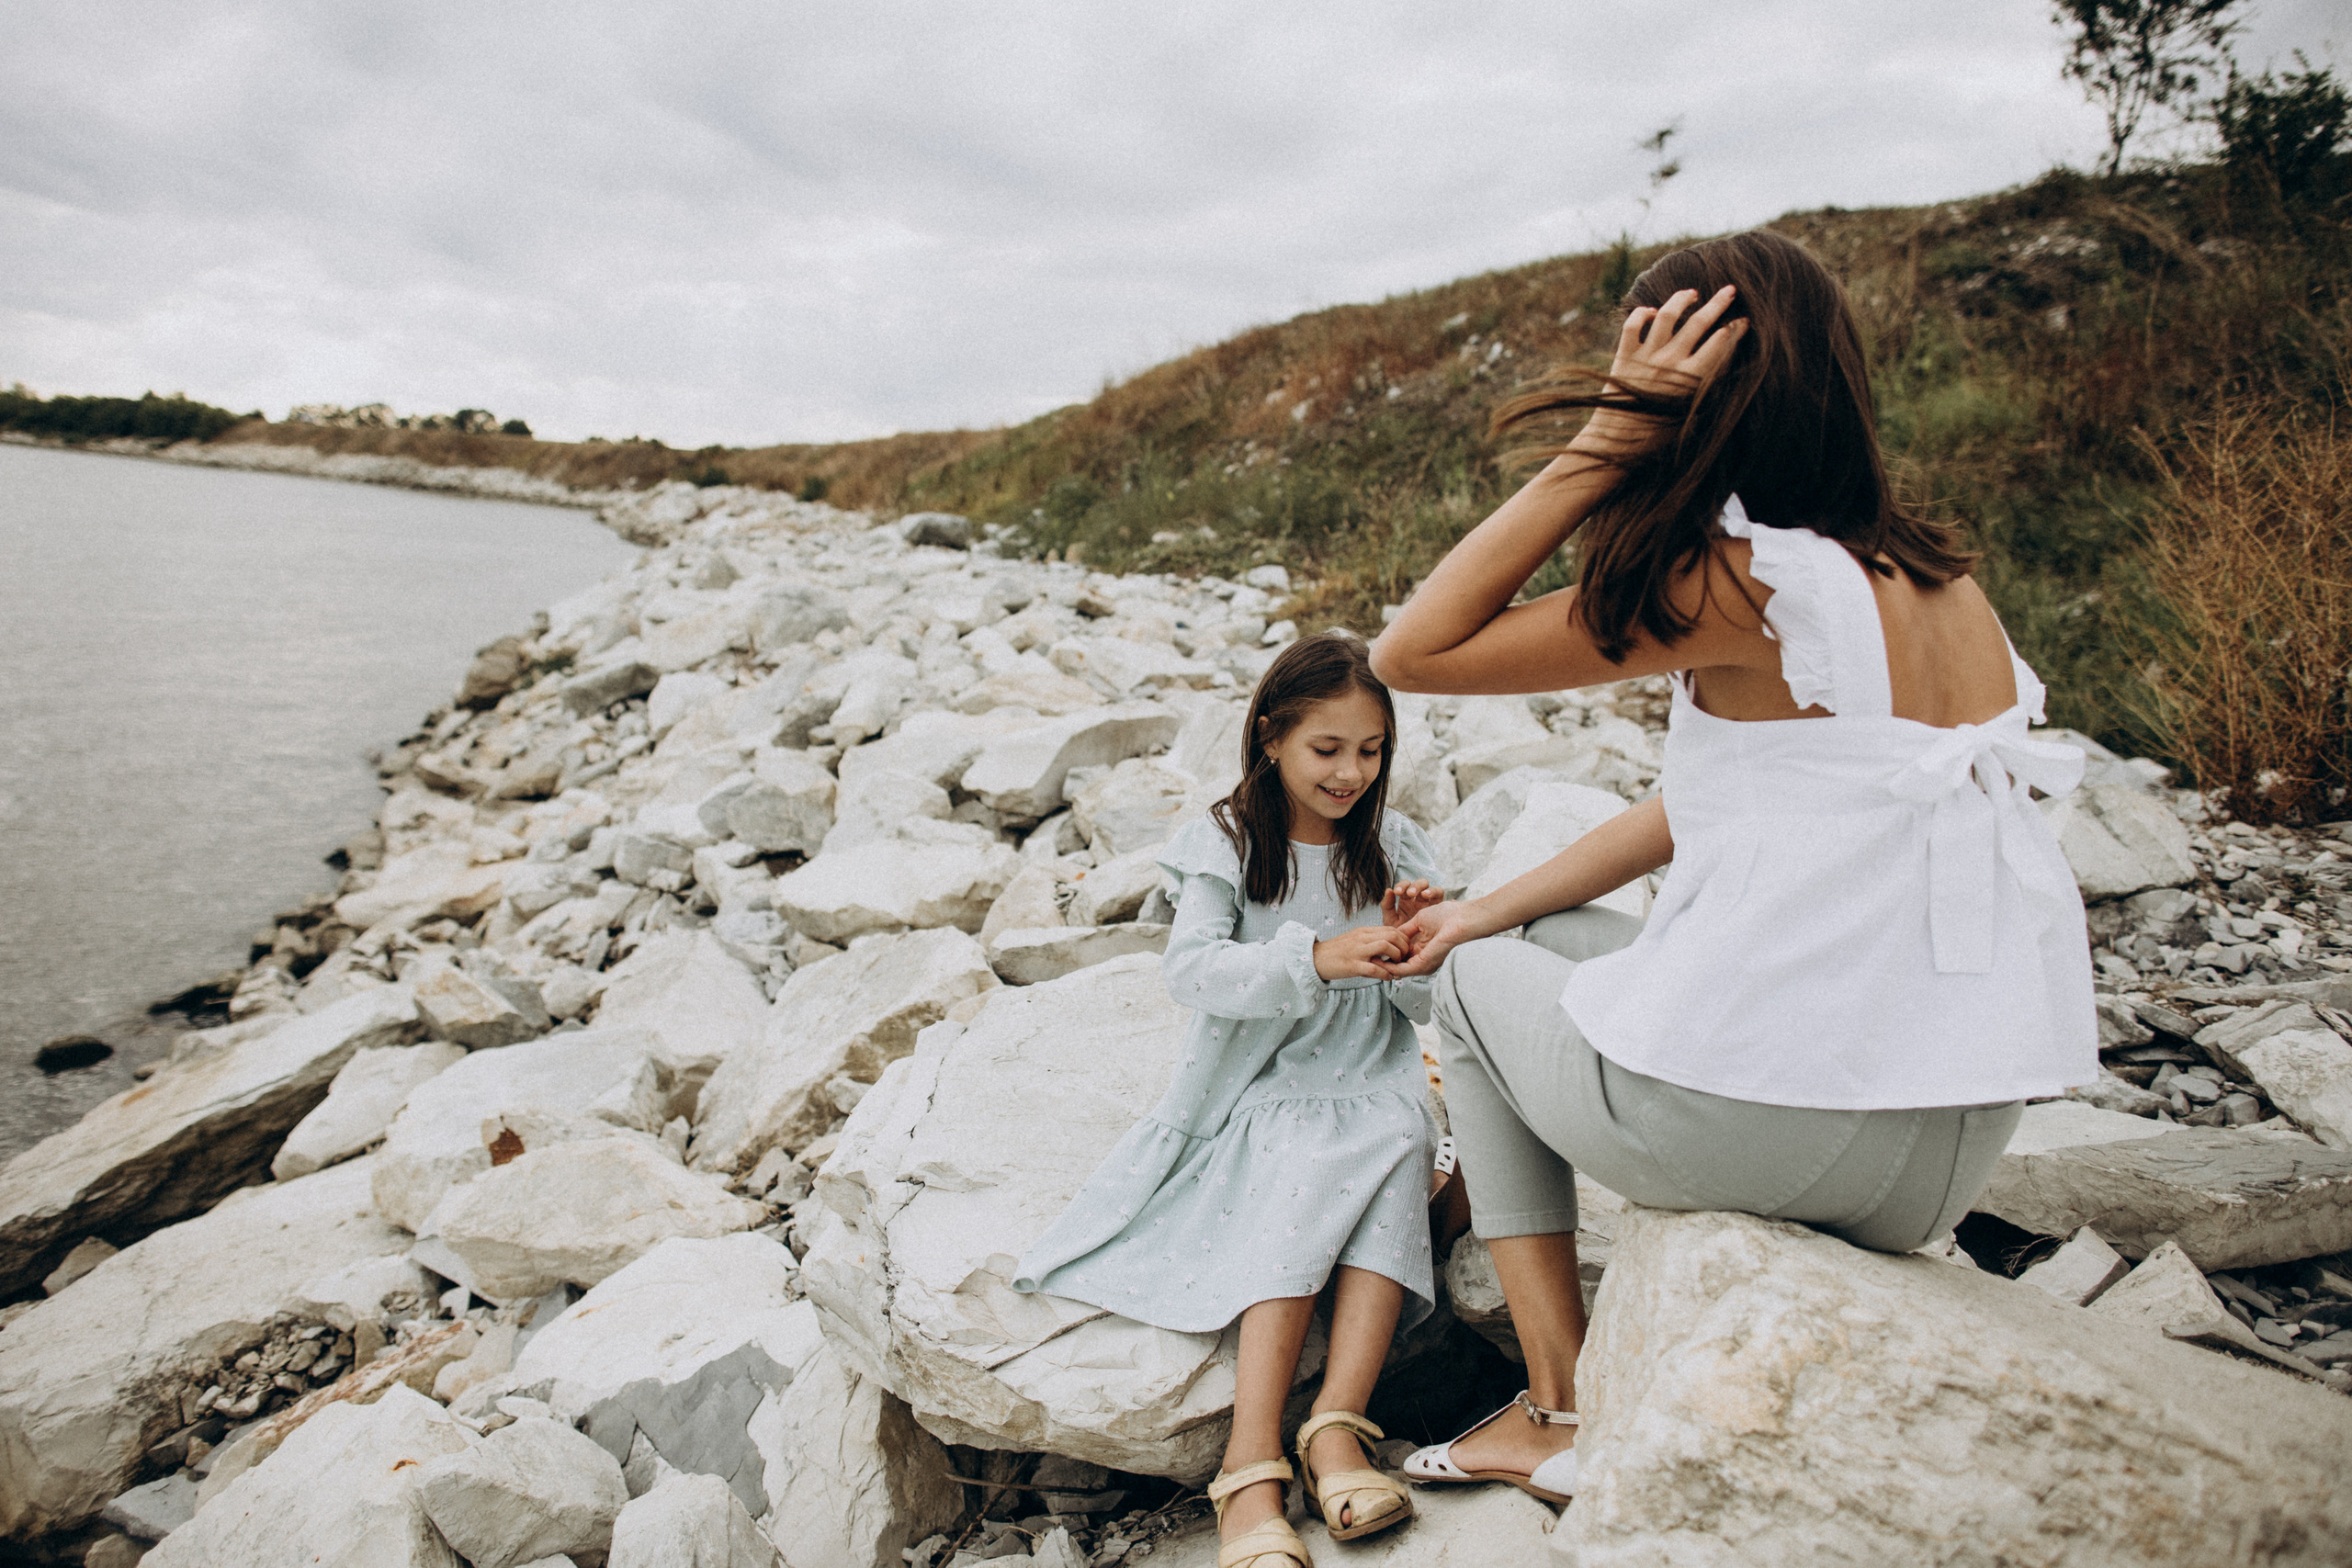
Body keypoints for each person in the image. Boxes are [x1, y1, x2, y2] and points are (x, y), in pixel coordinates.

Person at [1364, 230, 2098, 1506]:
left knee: (1473, 987)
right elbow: (1697, 802)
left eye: (1640, 365)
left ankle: (1559, 1405)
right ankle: (1557, 1381)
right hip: (1943, 1145)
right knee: (1509, 941)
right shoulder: (1943, 580)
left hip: (1793, 1137)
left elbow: (1412, 651)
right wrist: (1491, 902)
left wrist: (1608, 435)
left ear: (1690, 389)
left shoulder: (1741, 583)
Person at [1012, 631, 1450, 1568]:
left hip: (1368, 1072)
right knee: (1300, 1169)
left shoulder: (1395, 841)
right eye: (1326, 750)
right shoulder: (1228, 838)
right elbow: (1194, 971)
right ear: (1268, 738)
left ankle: (1337, 1426)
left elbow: (1417, 1004)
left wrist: (1415, 942)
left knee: (1397, 1144)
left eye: (1370, 751)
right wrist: (1317, 956)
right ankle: (1249, 1462)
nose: (1351, 773)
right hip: (1262, 1081)